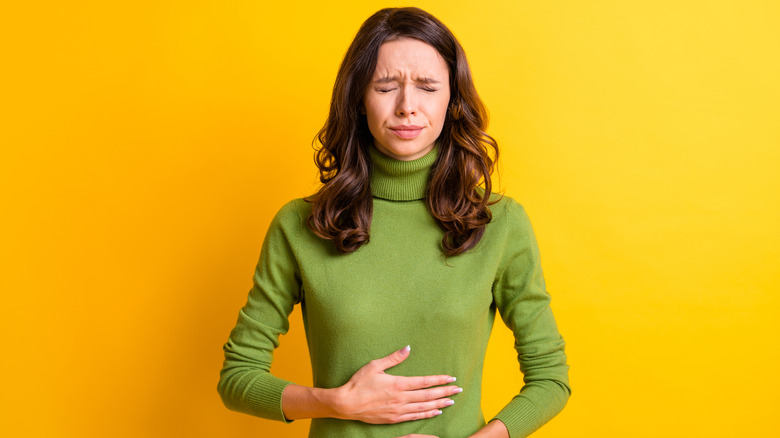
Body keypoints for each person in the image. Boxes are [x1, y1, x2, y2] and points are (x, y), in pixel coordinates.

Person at [217, 7, 570, 438]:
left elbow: (551, 377)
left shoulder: (499, 223)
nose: (407, 107)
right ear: (359, 100)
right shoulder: (301, 224)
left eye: (427, 87)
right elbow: (238, 377)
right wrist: (336, 401)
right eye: (385, 86)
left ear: (452, 101)